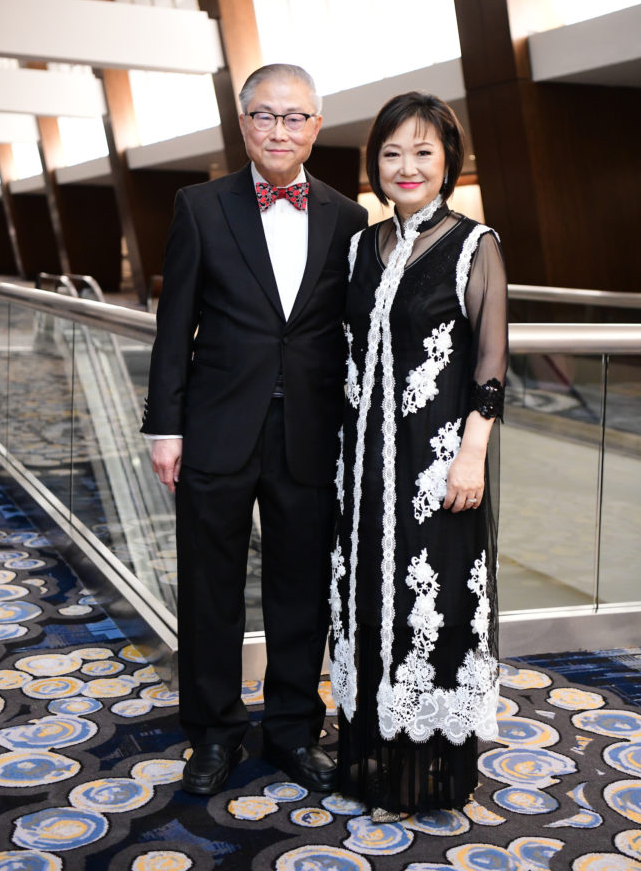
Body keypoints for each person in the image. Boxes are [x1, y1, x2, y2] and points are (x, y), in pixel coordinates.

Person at [142, 63, 368, 797]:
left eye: (294, 117)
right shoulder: (199, 206)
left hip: (311, 427)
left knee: (302, 589)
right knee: (210, 587)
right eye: (265, 116)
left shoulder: (346, 216)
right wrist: (164, 428)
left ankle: (294, 730)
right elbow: (174, 325)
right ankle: (212, 735)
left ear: (315, 127)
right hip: (214, 425)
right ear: (242, 125)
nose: (279, 130)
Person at [329, 91, 507, 821]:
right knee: (369, 600)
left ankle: (430, 769)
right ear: (375, 164)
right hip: (366, 470)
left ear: (447, 164)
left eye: (422, 153)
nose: (406, 166)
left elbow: (491, 363)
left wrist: (471, 455)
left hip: (437, 465)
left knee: (432, 603)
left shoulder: (475, 244)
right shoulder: (360, 246)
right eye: (391, 153)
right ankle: (372, 753)